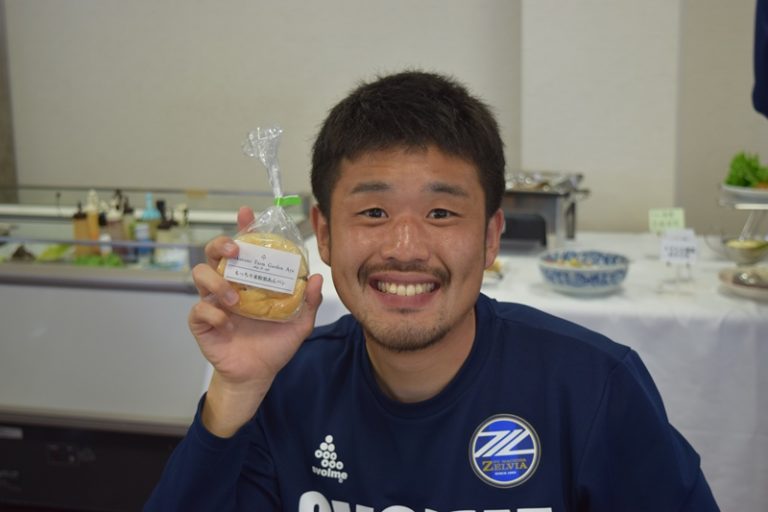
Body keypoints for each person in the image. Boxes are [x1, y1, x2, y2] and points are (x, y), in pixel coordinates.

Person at [145, 70, 719, 511]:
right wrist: (235, 392)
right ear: (324, 234)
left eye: (441, 212)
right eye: (373, 211)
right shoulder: (285, 384)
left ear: (490, 237)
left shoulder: (592, 388)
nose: (405, 247)